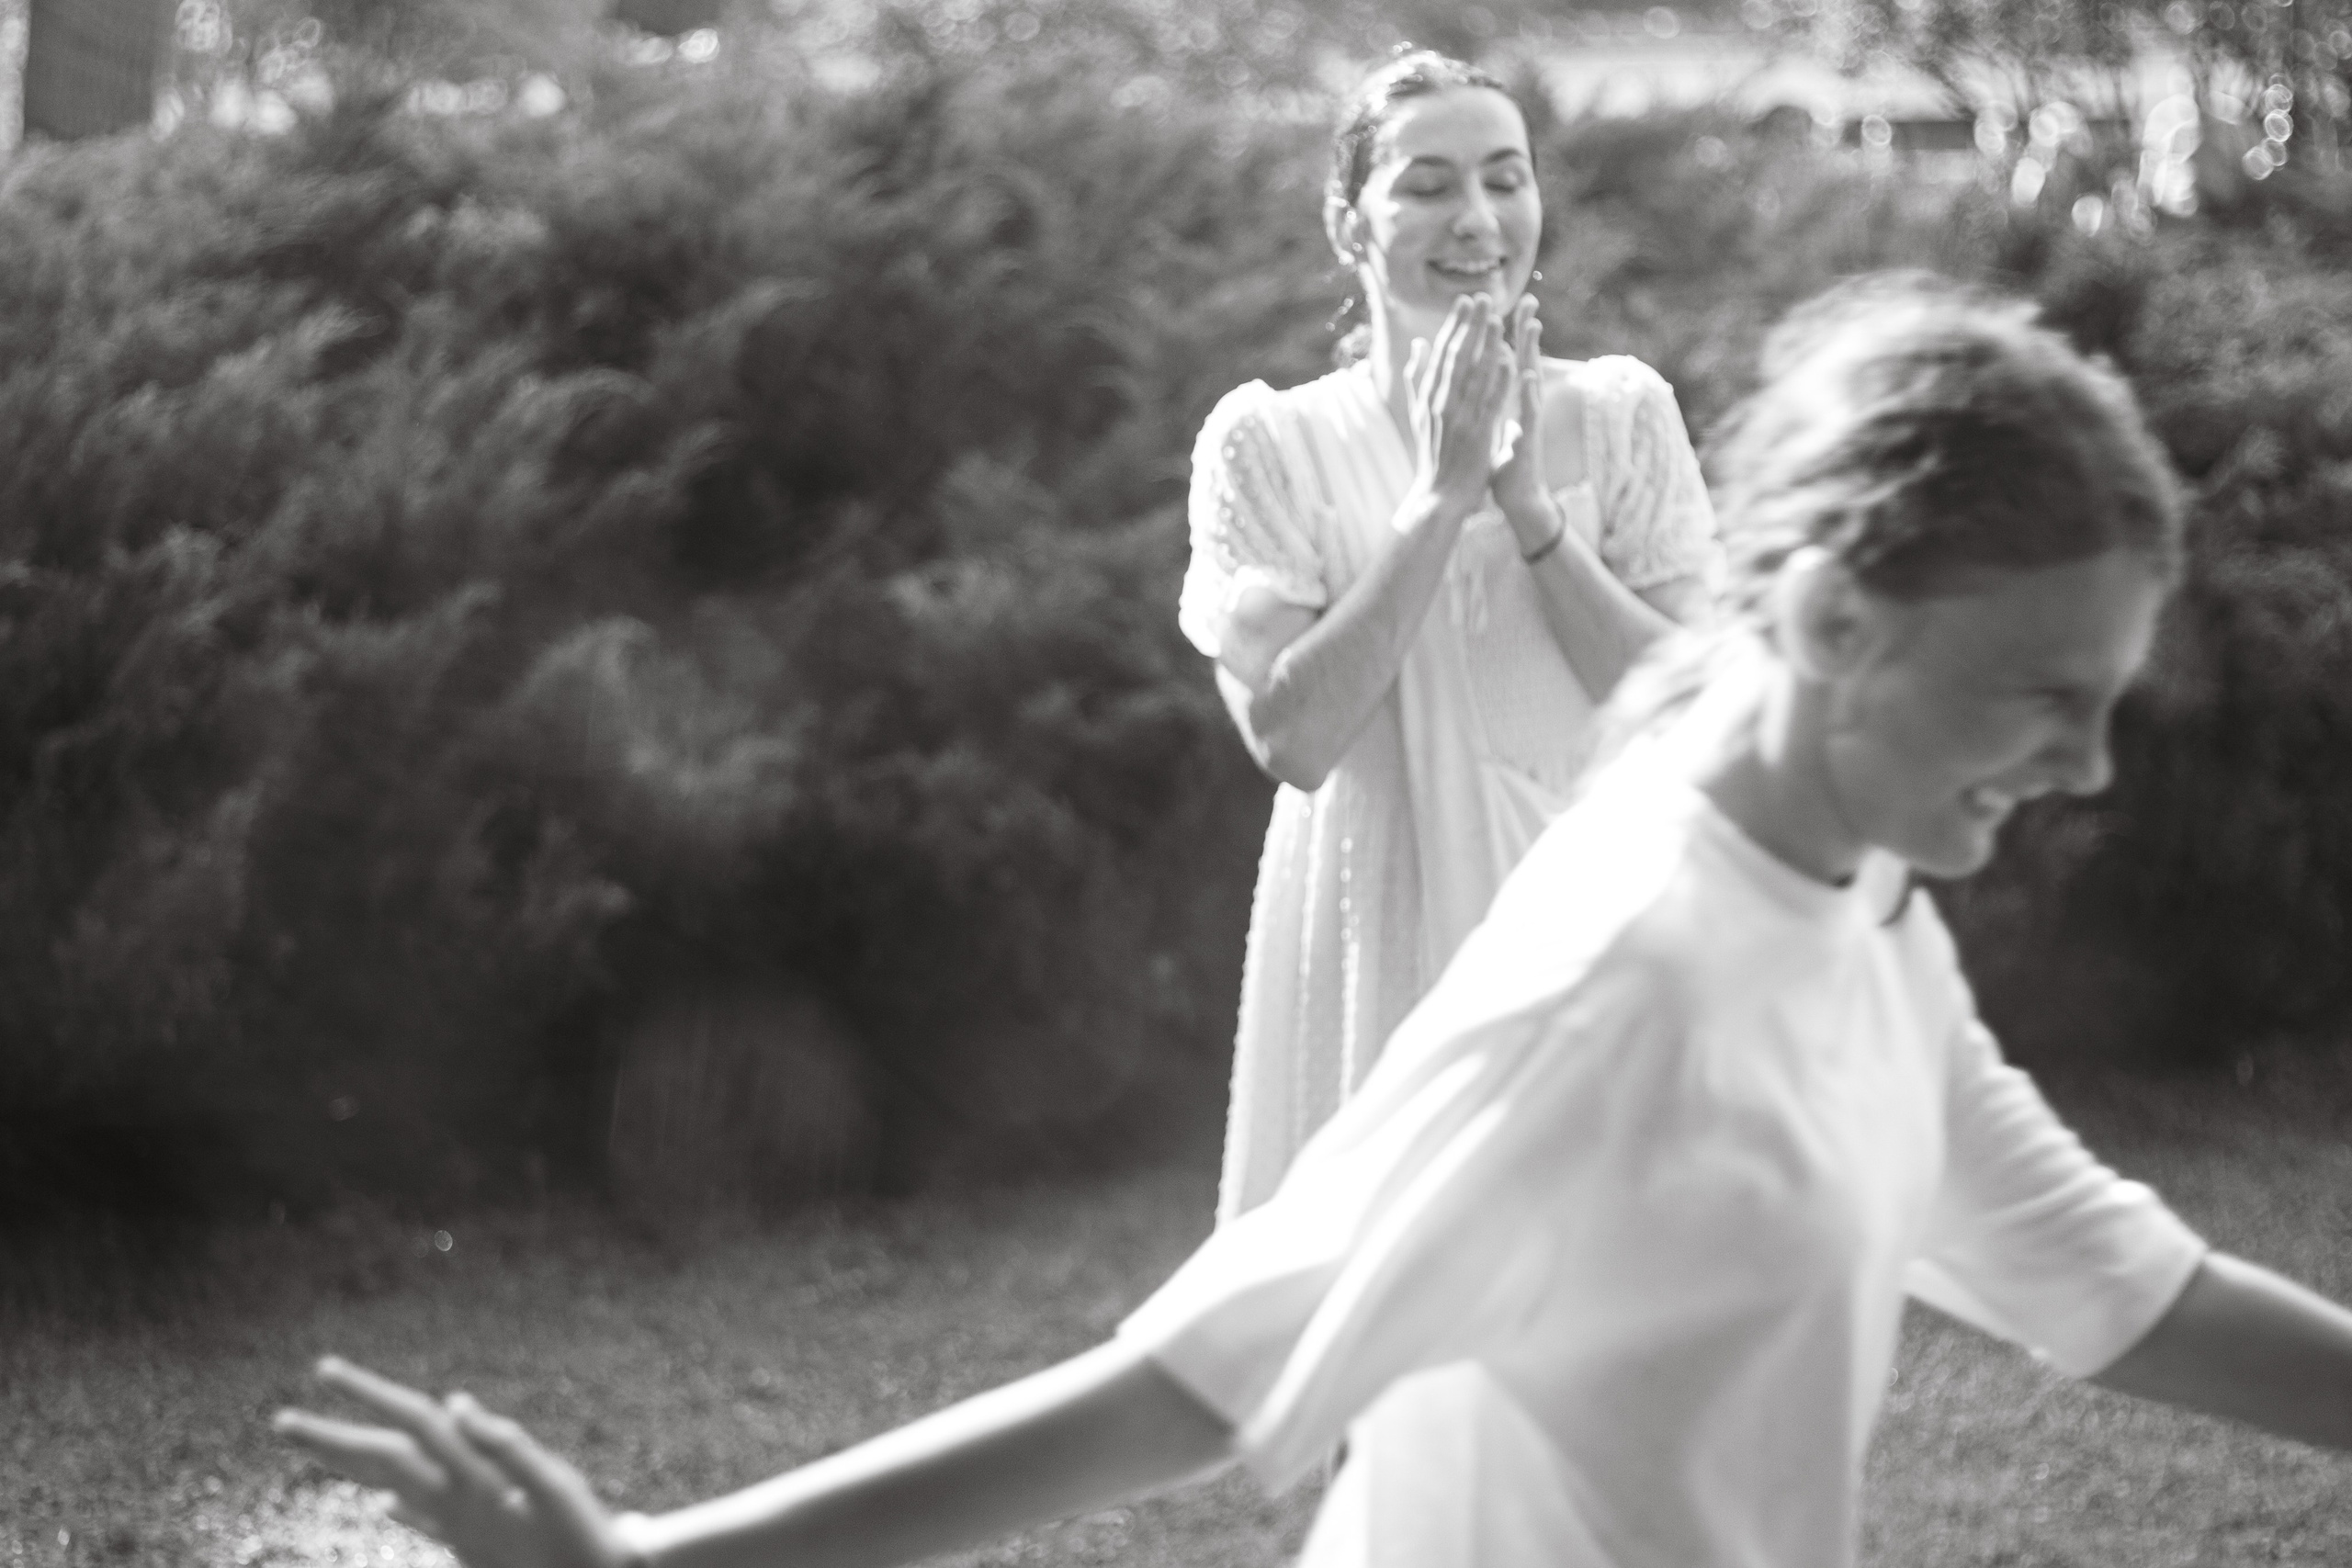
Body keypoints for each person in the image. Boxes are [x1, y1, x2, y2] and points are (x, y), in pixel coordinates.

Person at [275, 280, 2352, 1568]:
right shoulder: (1618, 988)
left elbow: (2101, 1278)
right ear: (1826, 621)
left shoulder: (1854, 897)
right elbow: (1180, 1378)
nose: (2084, 765)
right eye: (2038, 697)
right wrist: (659, 1555)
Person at [1190, 50, 1719, 1224]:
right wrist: (1437, 498)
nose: (1475, 218)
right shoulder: (1269, 445)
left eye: (1504, 177)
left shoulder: (1623, 414)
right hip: (1375, 934)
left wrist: (1530, 510)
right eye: (1425, 184)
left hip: (1588, 941)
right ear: (1349, 221)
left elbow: (1684, 720)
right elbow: (1295, 738)